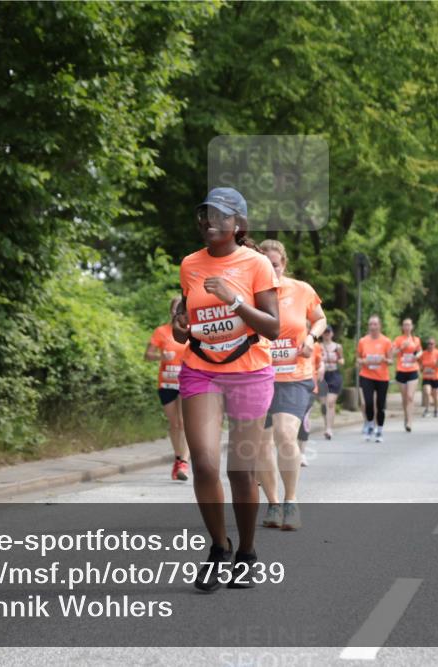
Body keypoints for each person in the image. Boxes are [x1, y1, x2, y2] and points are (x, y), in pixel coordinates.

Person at [171, 187, 280, 592]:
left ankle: (247, 553)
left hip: (250, 371)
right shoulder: (189, 265)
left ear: (238, 225)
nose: (208, 221)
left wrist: (234, 301)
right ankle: (219, 547)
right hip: (201, 369)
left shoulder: (256, 265)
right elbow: (185, 324)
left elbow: (272, 325)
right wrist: (180, 328)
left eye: (218, 215)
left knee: (240, 470)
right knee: (202, 462)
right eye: (204, 215)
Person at [256, 239, 326, 532]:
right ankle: (272, 503)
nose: (270, 269)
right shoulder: (250, 293)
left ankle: (291, 501)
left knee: (286, 434)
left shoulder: (302, 290)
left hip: (295, 376)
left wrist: (310, 339)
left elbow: (320, 319)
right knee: (259, 446)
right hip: (258, 376)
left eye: (275, 264)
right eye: (265, 265)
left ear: (283, 264)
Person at [146, 297, 190, 481]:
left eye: (180, 309)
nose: (176, 312)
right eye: (174, 308)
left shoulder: (191, 331)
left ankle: (183, 463)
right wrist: (161, 356)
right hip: (167, 383)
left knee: (184, 422)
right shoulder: (161, 331)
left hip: (186, 382)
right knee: (175, 424)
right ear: (171, 311)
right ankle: (177, 457)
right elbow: (147, 355)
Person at [358, 315, 392, 442]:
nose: (372, 327)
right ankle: (370, 424)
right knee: (368, 403)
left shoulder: (386, 341)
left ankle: (380, 430)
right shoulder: (363, 341)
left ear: (379, 326)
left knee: (380, 404)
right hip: (366, 376)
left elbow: (390, 361)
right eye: (370, 324)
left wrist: (384, 359)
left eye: (375, 324)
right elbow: (358, 359)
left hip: (382, 377)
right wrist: (363, 361)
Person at [391, 318, 422, 432]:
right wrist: (401, 348)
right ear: (402, 327)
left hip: (413, 370)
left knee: (410, 396)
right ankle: (406, 416)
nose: (407, 327)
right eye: (405, 325)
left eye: (409, 325)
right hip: (401, 370)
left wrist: (417, 356)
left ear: (412, 327)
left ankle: (409, 421)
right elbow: (392, 354)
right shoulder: (398, 339)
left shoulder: (416, 339)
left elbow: (420, 351)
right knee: (404, 398)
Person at [319, 327, 344, 439]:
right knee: (323, 404)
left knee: (330, 402)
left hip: (334, 375)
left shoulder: (337, 347)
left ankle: (329, 428)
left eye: (328, 332)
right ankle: (326, 425)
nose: (327, 334)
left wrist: (336, 360)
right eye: (325, 332)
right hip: (323, 376)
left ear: (332, 334)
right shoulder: (318, 347)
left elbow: (342, 361)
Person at [419, 337, 438, 418]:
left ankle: (436, 410)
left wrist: (437, 364)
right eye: (428, 343)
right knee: (427, 392)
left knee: (435, 395)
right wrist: (421, 369)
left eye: (431, 344)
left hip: (436, 377)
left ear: (435, 345)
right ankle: (427, 410)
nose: (430, 345)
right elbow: (421, 364)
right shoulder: (423, 354)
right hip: (426, 377)